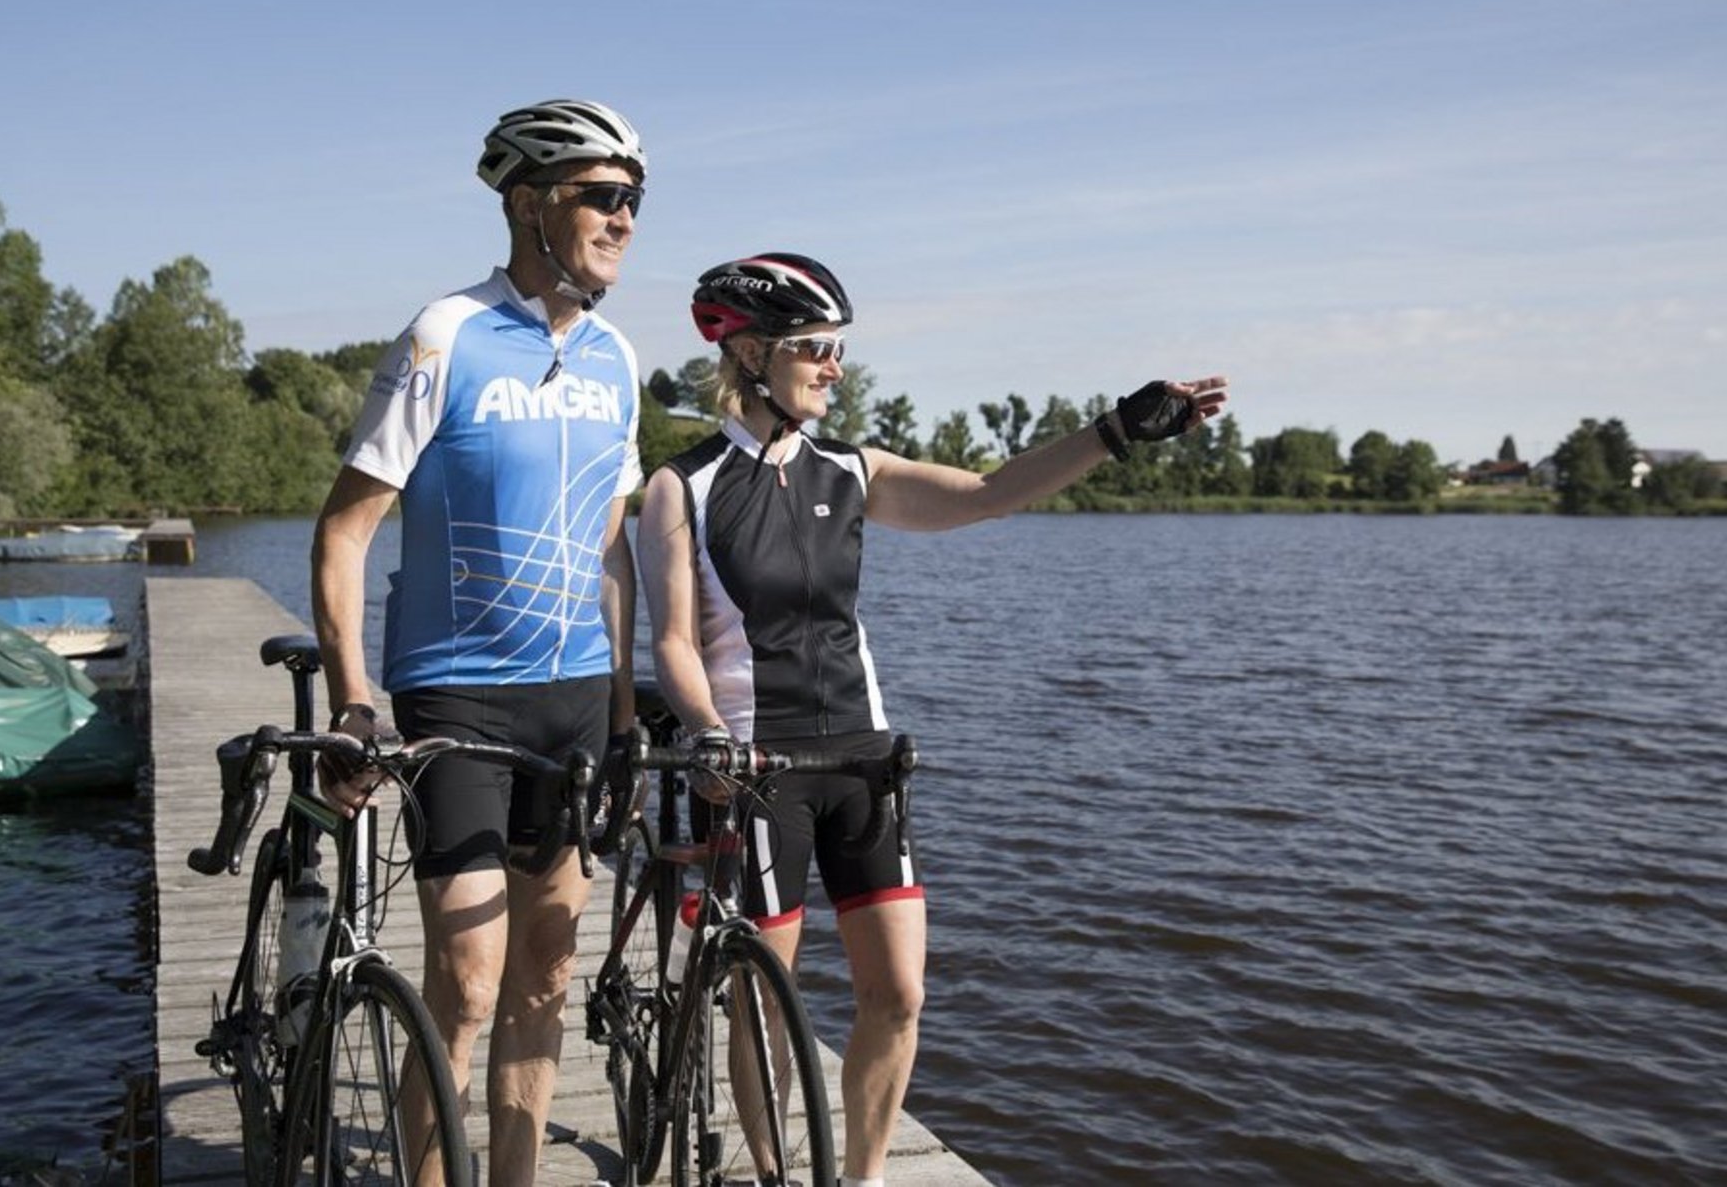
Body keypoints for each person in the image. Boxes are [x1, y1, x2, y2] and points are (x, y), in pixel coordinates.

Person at [638, 252, 1228, 1187]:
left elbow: (992, 492)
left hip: (864, 762)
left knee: (900, 992)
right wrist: (710, 728)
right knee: (764, 1000)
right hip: (757, 768)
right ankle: (773, 1172)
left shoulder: (852, 469)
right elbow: (673, 640)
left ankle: (862, 1176)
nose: (836, 365)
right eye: (816, 347)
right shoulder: (685, 486)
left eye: (838, 348)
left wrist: (1115, 431)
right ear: (750, 353)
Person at [311, 98, 649, 1187]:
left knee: (546, 974)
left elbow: (609, 545)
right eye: (602, 196)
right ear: (527, 202)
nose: (624, 218)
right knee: (464, 975)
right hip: (456, 692)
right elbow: (344, 529)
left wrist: (632, 708)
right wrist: (354, 696)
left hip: (577, 698)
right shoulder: (446, 331)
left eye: (634, 201)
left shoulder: (617, 358)